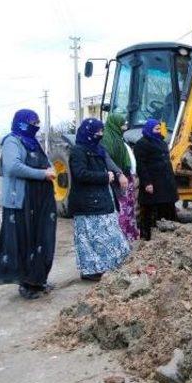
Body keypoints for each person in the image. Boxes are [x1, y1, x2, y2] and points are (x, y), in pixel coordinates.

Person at [0, 110, 57, 299]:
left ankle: (38, 280)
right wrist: (43, 174)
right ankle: (26, 285)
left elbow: (45, 162)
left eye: (38, 121)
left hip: (40, 199)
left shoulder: (32, 141)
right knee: (25, 242)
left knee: (41, 240)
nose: (37, 125)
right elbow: (13, 167)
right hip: (22, 201)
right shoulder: (12, 141)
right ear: (22, 123)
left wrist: (49, 171)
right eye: (33, 122)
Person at [69, 118, 131, 281]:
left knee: (108, 235)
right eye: (98, 132)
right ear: (88, 132)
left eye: (102, 131)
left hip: (102, 199)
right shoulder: (78, 151)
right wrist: (104, 177)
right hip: (87, 203)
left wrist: (118, 173)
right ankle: (91, 271)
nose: (100, 135)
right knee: (90, 239)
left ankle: (108, 266)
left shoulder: (98, 149)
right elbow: (80, 174)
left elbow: (108, 162)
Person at [134, 119, 179, 240]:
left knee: (167, 211)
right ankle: (148, 239)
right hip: (153, 185)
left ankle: (168, 238)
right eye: (156, 129)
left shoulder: (162, 142)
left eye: (159, 128)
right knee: (150, 213)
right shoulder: (142, 144)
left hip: (166, 184)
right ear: (149, 129)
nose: (159, 131)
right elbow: (141, 166)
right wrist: (147, 183)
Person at [101, 114, 139, 241]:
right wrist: (118, 173)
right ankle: (122, 237)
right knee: (121, 208)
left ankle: (130, 235)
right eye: (122, 124)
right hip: (117, 178)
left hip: (125, 176)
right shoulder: (107, 139)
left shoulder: (119, 138)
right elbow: (108, 158)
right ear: (115, 124)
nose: (125, 127)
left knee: (129, 207)